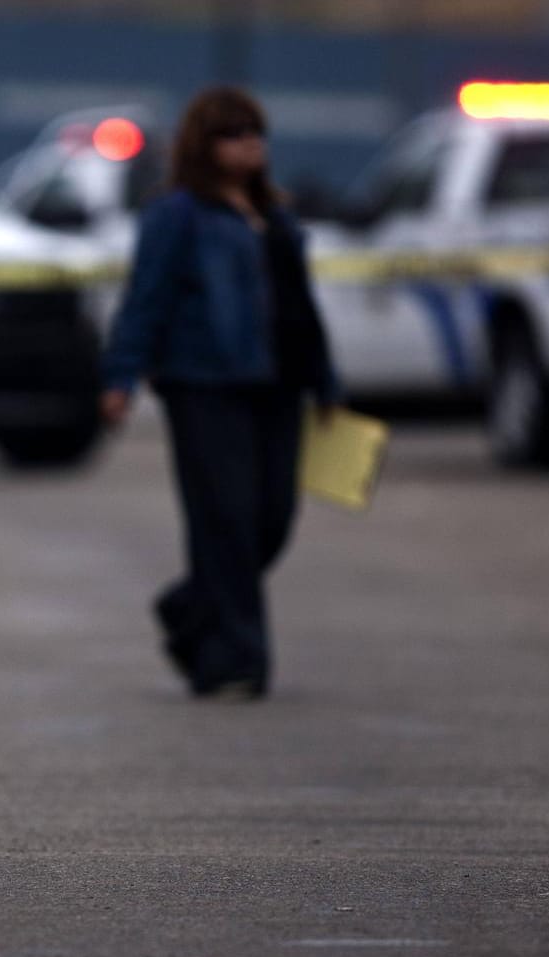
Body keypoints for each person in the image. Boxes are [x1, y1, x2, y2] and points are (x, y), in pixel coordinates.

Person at [100, 86, 340, 700]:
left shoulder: (277, 217)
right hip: (204, 383)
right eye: (233, 134)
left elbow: (300, 307)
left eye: (255, 133)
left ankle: (187, 610)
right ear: (203, 145)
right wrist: (120, 377)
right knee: (225, 521)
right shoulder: (176, 215)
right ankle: (236, 660)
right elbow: (144, 300)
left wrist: (325, 382)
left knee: (271, 520)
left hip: (279, 385)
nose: (249, 145)